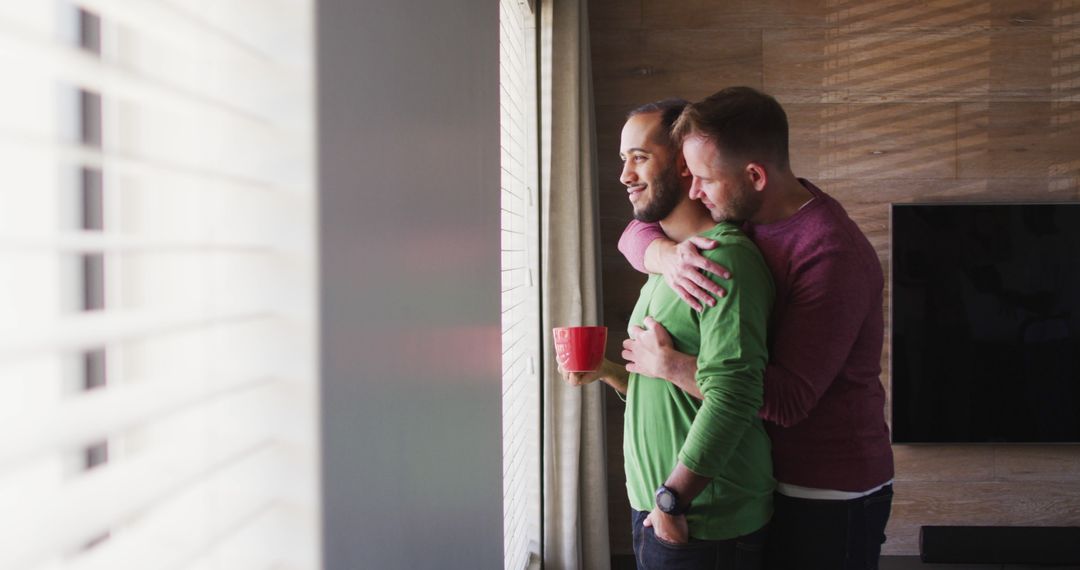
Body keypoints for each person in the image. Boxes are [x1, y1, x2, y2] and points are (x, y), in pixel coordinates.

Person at [618, 86, 895, 570]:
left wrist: (672, 366)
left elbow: (787, 401)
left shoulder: (831, 255)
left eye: (703, 178)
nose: (695, 192)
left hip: (828, 488)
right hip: (767, 475)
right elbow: (633, 232)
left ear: (754, 176)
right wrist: (669, 257)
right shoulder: (746, 213)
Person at [559, 98, 775, 569]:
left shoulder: (724, 261)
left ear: (683, 164)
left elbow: (735, 396)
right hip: (661, 513)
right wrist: (612, 373)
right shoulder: (669, 264)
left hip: (702, 520)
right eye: (623, 160)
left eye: (639, 157)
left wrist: (671, 502)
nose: (625, 176)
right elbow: (668, 388)